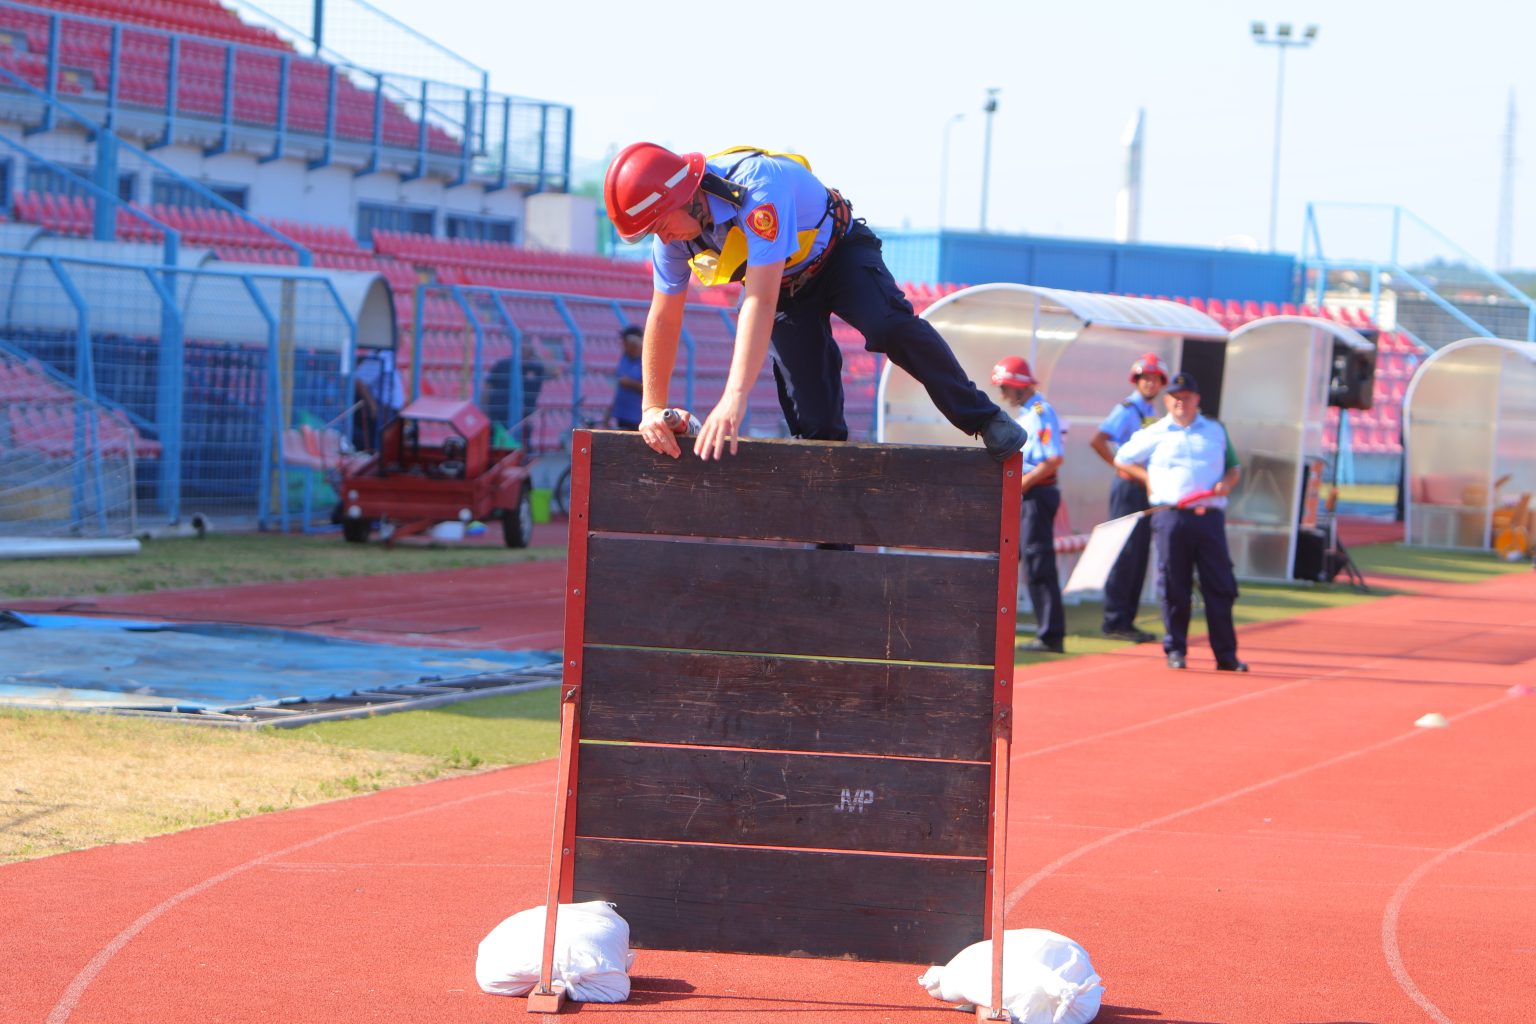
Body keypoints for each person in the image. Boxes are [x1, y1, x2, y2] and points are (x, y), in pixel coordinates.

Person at [602, 143, 1026, 462]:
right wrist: (651, 407)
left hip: (838, 256)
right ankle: (831, 552)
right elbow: (664, 316)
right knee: (815, 423)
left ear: (683, 197)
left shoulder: (756, 188)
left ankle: (982, 417)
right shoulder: (674, 241)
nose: (661, 238)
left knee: (888, 327)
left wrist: (734, 397)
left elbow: (759, 300)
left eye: (659, 224)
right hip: (787, 288)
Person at [1113, 371, 1248, 672]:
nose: (1181, 403)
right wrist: (1147, 478)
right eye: (1175, 398)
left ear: (1197, 400)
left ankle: (1226, 655)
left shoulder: (1215, 430)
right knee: (1174, 584)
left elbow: (1234, 467)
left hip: (1209, 517)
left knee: (1220, 586)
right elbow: (1121, 458)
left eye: (1186, 398)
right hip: (1171, 517)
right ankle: (1176, 650)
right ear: (1167, 400)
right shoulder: (1155, 431)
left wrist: (1227, 482)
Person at [1088, 352, 1169, 644]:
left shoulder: (1151, 411)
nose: (1150, 383)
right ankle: (1114, 620)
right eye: (1145, 378)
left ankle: (1127, 620)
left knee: (1138, 553)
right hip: (1128, 487)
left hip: (1145, 488)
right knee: (1124, 551)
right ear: (1137, 380)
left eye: (1155, 378)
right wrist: (1119, 467)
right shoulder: (1127, 408)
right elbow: (1098, 440)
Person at [993, 356, 1066, 654]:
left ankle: (1050, 635)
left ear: (1019, 387)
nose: (1002, 395)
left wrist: (1020, 486)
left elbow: (1053, 458)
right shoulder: (1029, 412)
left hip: (1035, 496)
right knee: (1021, 562)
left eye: (1005, 387)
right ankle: (1045, 632)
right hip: (1029, 495)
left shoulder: (1040, 412)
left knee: (1038, 563)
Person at [351, 343, 403, 452]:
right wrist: (373, 406)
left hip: (390, 409)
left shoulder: (388, 353)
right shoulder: (379, 355)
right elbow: (359, 381)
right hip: (384, 408)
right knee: (378, 447)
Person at [609, 325, 644, 430]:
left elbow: (651, 390)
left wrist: (630, 383)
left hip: (637, 417)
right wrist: (609, 413)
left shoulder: (645, 362)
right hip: (622, 414)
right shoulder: (625, 359)